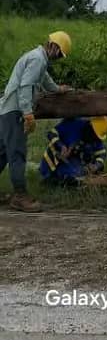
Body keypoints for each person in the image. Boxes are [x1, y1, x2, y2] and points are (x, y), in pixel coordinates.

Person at [0, 31, 72, 211]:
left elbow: (45, 80)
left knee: (2, 153)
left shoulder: (38, 59)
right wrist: (27, 114)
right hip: (15, 110)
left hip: (6, 110)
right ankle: (20, 196)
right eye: (60, 54)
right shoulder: (38, 60)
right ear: (54, 47)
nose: (59, 58)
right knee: (17, 153)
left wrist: (58, 89)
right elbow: (25, 86)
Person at [39, 116, 107, 184]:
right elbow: (51, 133)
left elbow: (102, 153)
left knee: (80, 173)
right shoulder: (73, 125)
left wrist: (97, 165)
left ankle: (69, 179)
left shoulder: (95, 138)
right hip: (51, 163)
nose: (94, 139)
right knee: (71, 175)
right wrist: (61, 146)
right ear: (90, 125)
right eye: (93, 135)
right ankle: (52, 178)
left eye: (96, 137)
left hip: (71, 164)